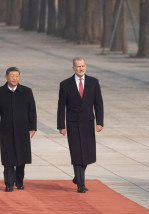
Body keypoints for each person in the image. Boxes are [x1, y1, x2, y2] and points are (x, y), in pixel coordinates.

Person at [57, 57, 104, 193]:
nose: (81, 68)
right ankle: (81, 185)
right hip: (73, 124)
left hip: (88, 123)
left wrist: (100, 122)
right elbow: (61, 107)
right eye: (78, 66)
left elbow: (98, 104)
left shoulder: (94, 82)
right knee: (77, 153)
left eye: (83, 66)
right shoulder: (65, 84)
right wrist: (61, 125)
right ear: (73, 68)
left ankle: (78, 177)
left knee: (87, 153)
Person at [0, 67, 37, 192]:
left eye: (17, 76)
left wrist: (33, 127)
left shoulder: (27, 91)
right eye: (12, 76)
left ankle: (19, 181)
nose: (14, 78)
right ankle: (9, 183)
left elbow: (32, 111)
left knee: (21, 157)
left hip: (22, 130)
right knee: (8, 157)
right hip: (6, 130)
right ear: (6, 77)